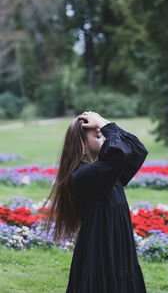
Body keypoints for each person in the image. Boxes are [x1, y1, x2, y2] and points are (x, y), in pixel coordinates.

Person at [43, 111, 149, 293]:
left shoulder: (106, 171)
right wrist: (105, 126)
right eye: (99, 136)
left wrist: (106, 124)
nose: (106, 140)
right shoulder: (83, 175)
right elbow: (119, 153)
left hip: (117, 246)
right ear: (82, 145)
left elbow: (137, 150)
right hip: (100, 251)